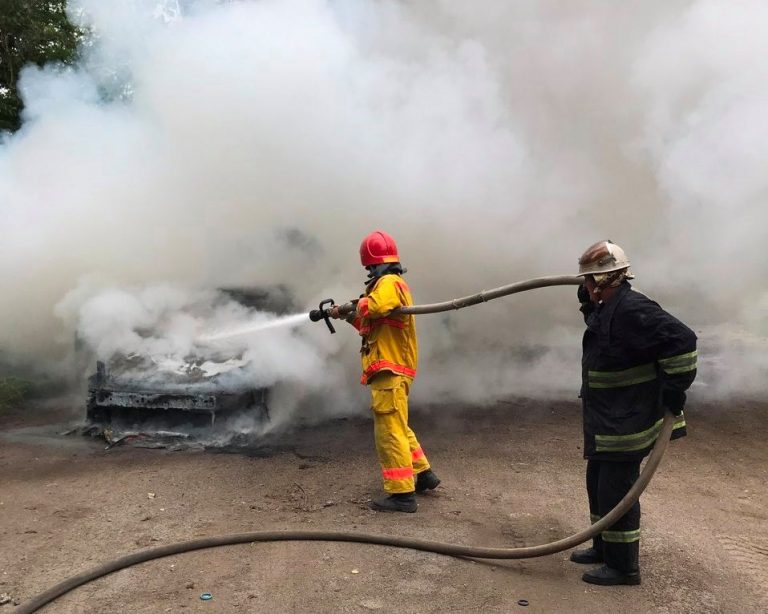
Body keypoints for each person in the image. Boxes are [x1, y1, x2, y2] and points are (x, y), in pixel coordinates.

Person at [570, 240, 697, 585]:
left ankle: (624, 567)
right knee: (597, 483)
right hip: (609, 417)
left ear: (603, 280)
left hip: (628, 421)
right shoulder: (612, 306)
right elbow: (613, 339)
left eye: (588, 282)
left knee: (616, 491)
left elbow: (683, 339)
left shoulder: (633, 308)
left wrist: (675, 388)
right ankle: (603, 547)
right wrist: (589, 309)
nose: (585, 286)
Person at [330, 230, 440, 513]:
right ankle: (424, 474)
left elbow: (376, 306)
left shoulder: (389, 282)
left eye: (369, 267)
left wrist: (352, 305)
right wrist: (347, 315)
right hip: (391, 369)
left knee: (388, 431)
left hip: (390, 370)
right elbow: (369, 325)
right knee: (398, 425)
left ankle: (401, 495)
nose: (368, 272)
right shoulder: (389, 286)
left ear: (373, 264)